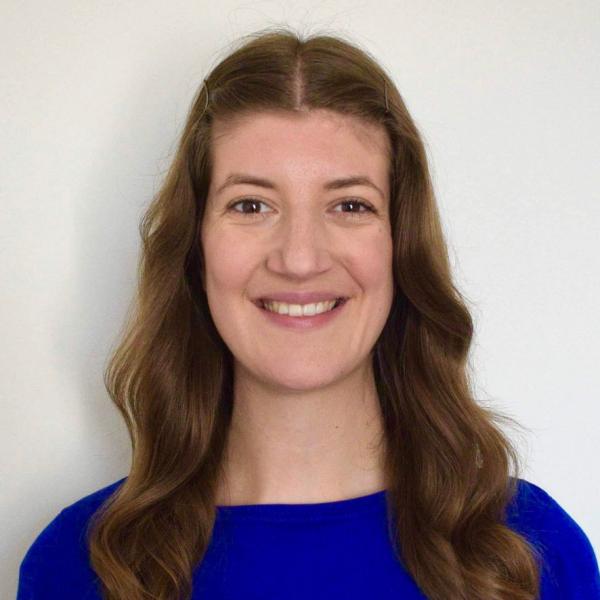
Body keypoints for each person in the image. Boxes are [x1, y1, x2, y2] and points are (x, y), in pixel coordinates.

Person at [17, 26, 600, 600]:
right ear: (195, 249)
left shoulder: (528, 553)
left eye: (350, 205)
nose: (300, 259)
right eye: (251, 205)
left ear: (401, 246)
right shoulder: (83, 564)